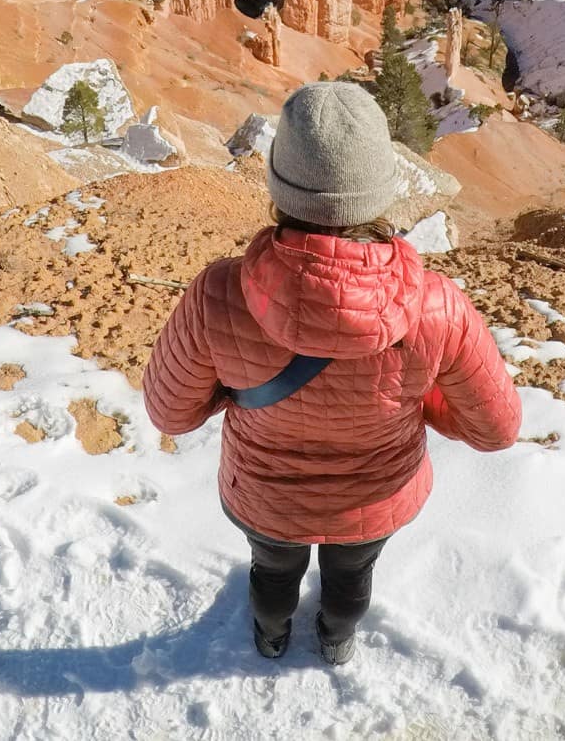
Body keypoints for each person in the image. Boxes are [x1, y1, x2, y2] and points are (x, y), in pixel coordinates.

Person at [142, 81, 520, 665]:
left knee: (272, 570)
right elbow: (496, 430)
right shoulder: (438, 305)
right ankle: (337, 640)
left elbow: (171, 413)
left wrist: (235, 388)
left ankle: (270, 638)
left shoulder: (219, 293)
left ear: (279, 185)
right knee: (351, 576)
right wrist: (418, 404)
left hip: (264, 495)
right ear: (382, 188)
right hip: (376, 497)